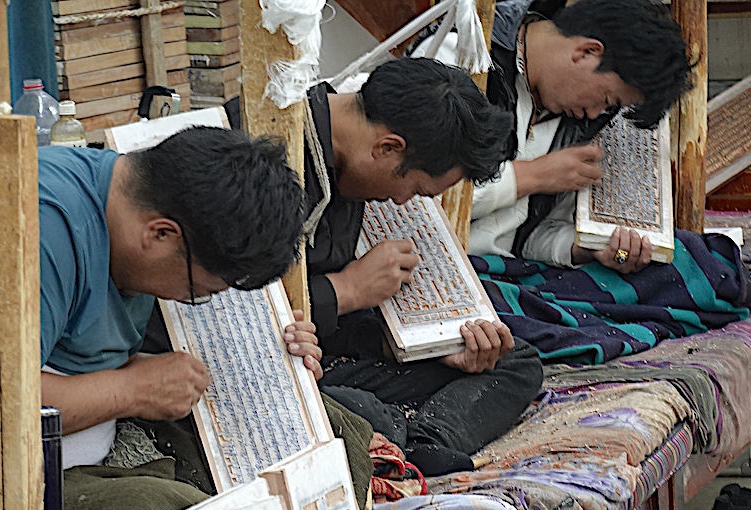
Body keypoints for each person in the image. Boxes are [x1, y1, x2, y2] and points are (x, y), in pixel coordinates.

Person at [0, 127, 323, 510]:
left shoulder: (134, 208)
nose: (191, 300)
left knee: (326, 430)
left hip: (83, 445)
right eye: (201, 293)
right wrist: (133, 390)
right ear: (160, 234)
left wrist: (277, 352)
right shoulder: (37, 225)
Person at [219, 56, 545, 476]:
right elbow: (223, 318)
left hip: (329, 356)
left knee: (513, 360)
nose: (403, 201)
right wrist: (346, 290)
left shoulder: (348, 162)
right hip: (262, 373)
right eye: (413, 187)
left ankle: (426, 439)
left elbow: (343, 328)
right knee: (359, 410)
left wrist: (417, 345)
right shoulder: (260, 148)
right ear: (388, 148)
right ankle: (389, 434)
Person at [411, 0, 751, 364]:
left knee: (691, 262)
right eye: (607, 98)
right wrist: (531, 176)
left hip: (513, 271)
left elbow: (531, 236)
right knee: (528, 329)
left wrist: (586, 251)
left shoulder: (578, 118)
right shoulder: (461, 58)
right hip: (439, 269)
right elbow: (413, 201)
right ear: (586, 52)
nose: (598, 112)